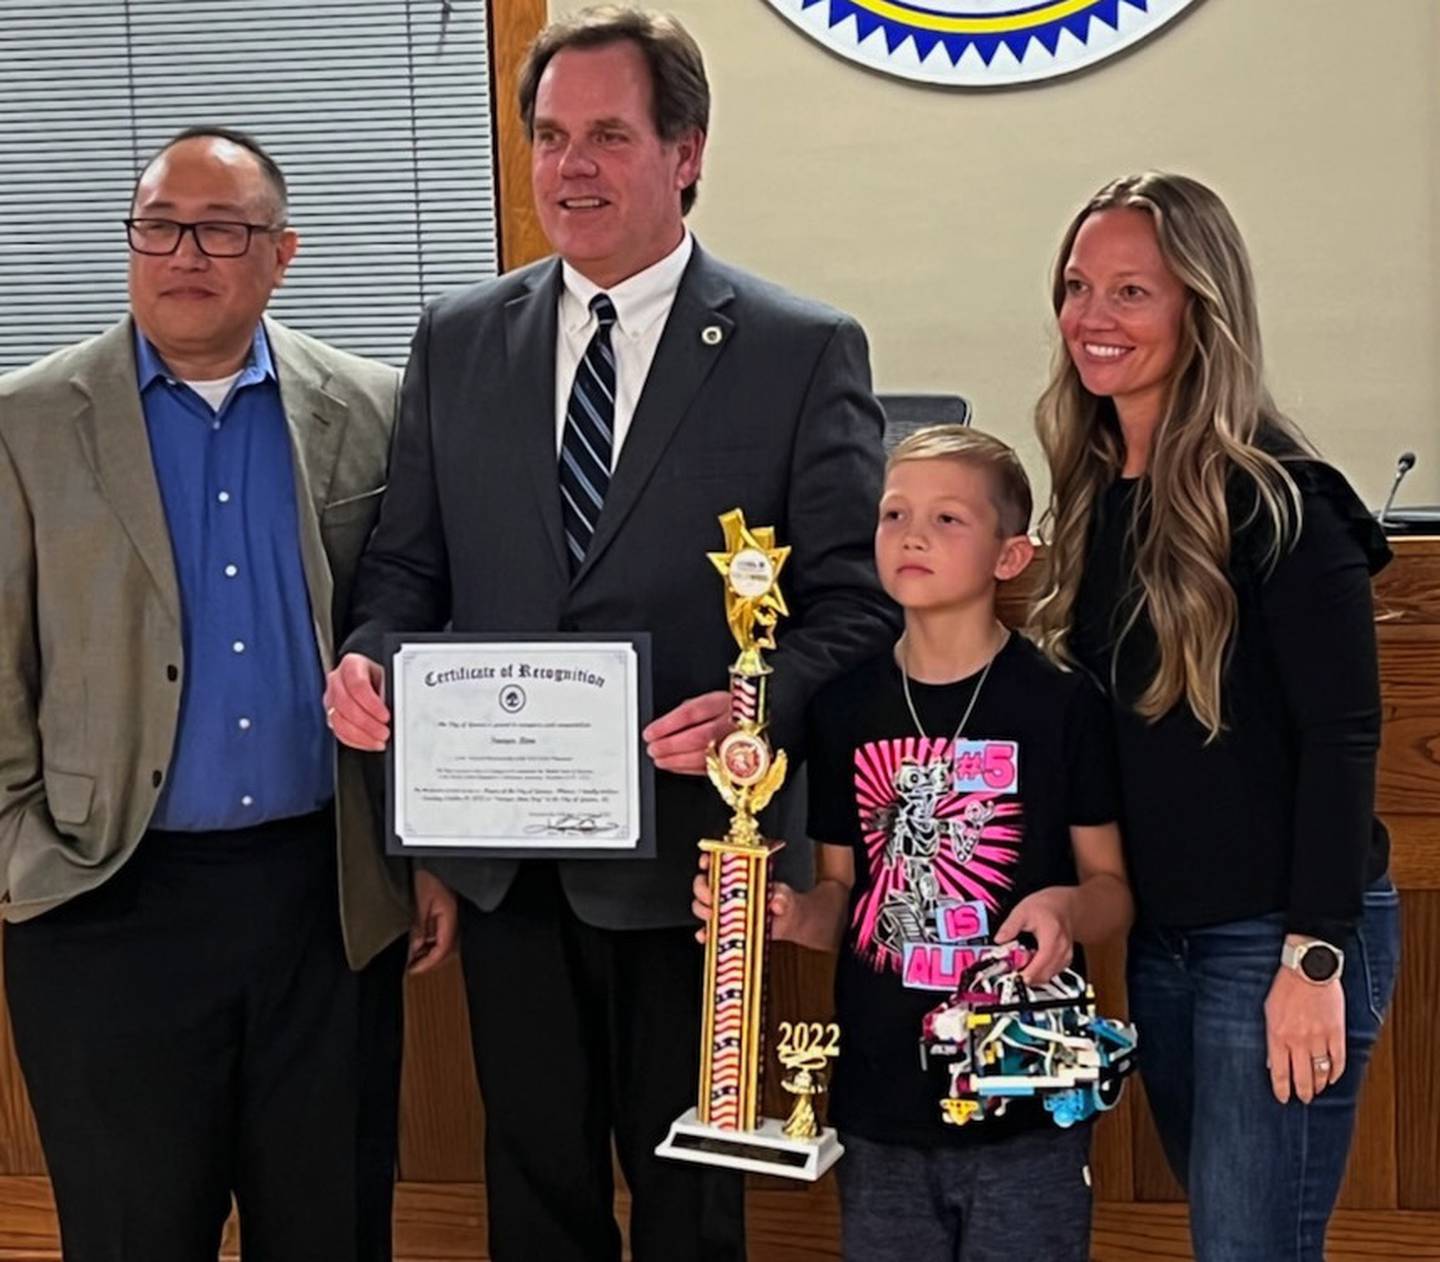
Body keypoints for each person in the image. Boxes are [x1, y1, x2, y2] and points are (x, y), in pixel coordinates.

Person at [322, 7, 898, 1261]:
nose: (570, 166)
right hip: (510, 860)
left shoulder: (799, 349)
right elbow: (408, 570)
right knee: (533, 1190)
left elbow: (857, 601)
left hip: (698, 870)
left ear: (685, 150)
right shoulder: (458, 339)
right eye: (548, 136)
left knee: (692, 1197)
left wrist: (758, 704)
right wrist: (370, 656)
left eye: (607, 135)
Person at [0, 126, 445, 1262]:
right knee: (134, 1229)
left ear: (282, 252)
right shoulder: (28, 422)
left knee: (331, 1226)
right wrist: (22, 854)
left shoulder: (378, 406)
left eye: (224, 229)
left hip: (322, 900)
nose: (185, 251)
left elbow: (419, 626)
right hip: (105, 898)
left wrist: (423, 845)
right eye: (159, 224)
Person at [1032, 171, 1400, 1261]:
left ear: (1202, 308)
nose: (1093, 318)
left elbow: (1345, 737)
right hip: (1167, 943)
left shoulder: (1284, 498)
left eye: (1132, 292)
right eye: (1076, 285)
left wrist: (1315, 957)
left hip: (1279, 942)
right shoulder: (1095, 492)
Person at [697, 426, 1134, 1262]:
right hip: (880, 1100)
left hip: (1022, 1097)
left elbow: (1111, 889)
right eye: (894, 514)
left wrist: (1064, 905)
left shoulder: (1059, 704)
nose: (913, 536)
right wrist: (785, 912)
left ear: (1011, 556)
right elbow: (841, 900)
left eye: (947, 519)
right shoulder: (843, 709)